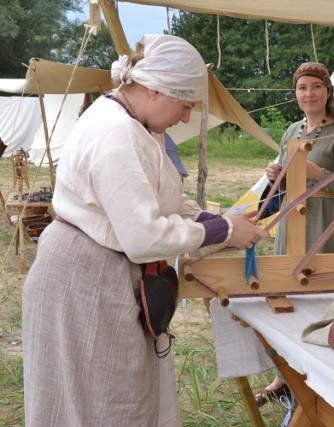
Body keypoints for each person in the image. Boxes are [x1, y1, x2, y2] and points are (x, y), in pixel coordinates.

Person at [22, 34, 268, 426]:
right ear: (156, 90)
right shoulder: (115, 133)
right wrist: (221, 231)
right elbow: (143, 237)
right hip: (84, 278)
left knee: (118, 392)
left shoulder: (134, 125)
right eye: (185, 106)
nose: (186, 118)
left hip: (102, 272)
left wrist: (208, 219)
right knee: (101, 399)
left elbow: (158, 199)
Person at [255, 62, 334, 405]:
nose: (309, 94)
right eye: (302, 88)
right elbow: (287, 177)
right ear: (296, 94)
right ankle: (283, 378)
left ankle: (325, 381)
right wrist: (274, 171)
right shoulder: (292, 131)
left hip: (326, 226)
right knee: (287, 299)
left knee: (321, 302)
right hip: (292, 224)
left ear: (327, 91)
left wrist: (320, 174)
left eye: (315, 87)